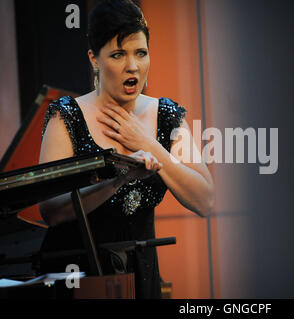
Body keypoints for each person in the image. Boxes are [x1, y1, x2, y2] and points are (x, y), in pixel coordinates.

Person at [37, 0, 214, 299]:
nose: (132, 66)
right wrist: (117, 179)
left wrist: (147, 145)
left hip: (141, 273)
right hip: (76, 275)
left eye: (140, 53)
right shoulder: (66, 115)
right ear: (94, 58)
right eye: (118, 55)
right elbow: (51, 211)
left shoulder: (167, 115)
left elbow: (204, 200)